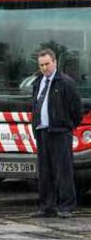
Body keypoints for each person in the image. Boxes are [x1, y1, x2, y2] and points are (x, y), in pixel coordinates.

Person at [31, 48, 83, 219]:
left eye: (47, 64)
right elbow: (36, 105)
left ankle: (66, 206)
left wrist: (67, 125)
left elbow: (77, 110)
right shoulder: (38, 82)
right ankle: (47, 207)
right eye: (41, 65)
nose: (44, 68)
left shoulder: (65, 82)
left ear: (55, 62)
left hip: (60, 132)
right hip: (42, 132)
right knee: (45, 172)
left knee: (63, 170)